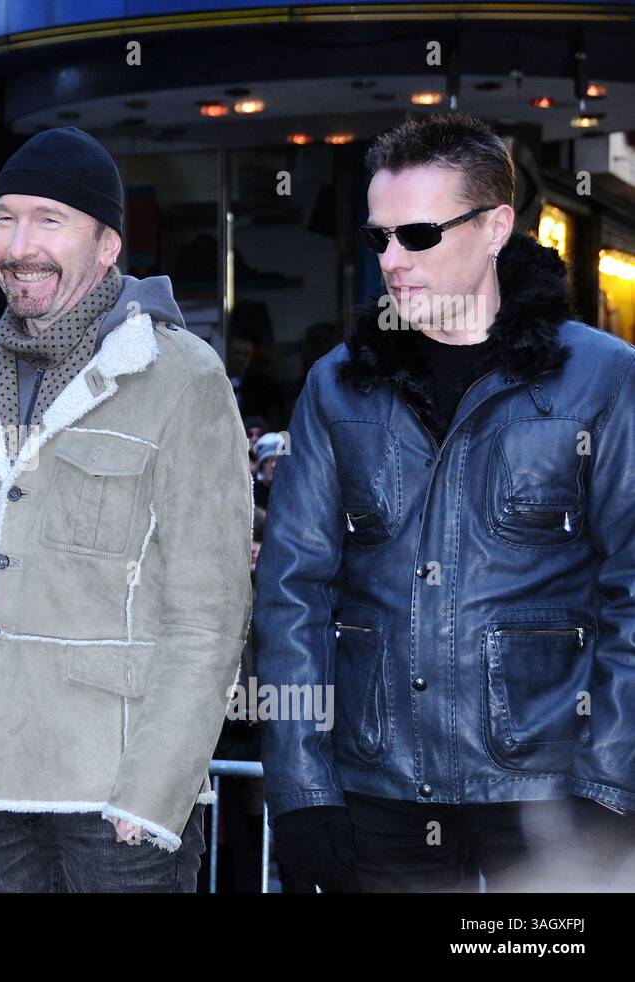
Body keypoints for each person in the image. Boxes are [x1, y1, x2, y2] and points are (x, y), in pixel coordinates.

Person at [255, 112, 635, 892]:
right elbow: (292, 595)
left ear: (497, 226)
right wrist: (299, 788)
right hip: (378, 791)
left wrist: (612, 786)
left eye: (418, 235)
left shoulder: (603, 380)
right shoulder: (336, 386)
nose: (392, 261)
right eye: (378, 239)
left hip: (549, 797)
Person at [0, 127, 252, 892]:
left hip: (116, 803)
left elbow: (210, 613)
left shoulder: (183, 379)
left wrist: (154, 792)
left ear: (107, 247)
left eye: (49, 221)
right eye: (6, 218)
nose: (19, 245)